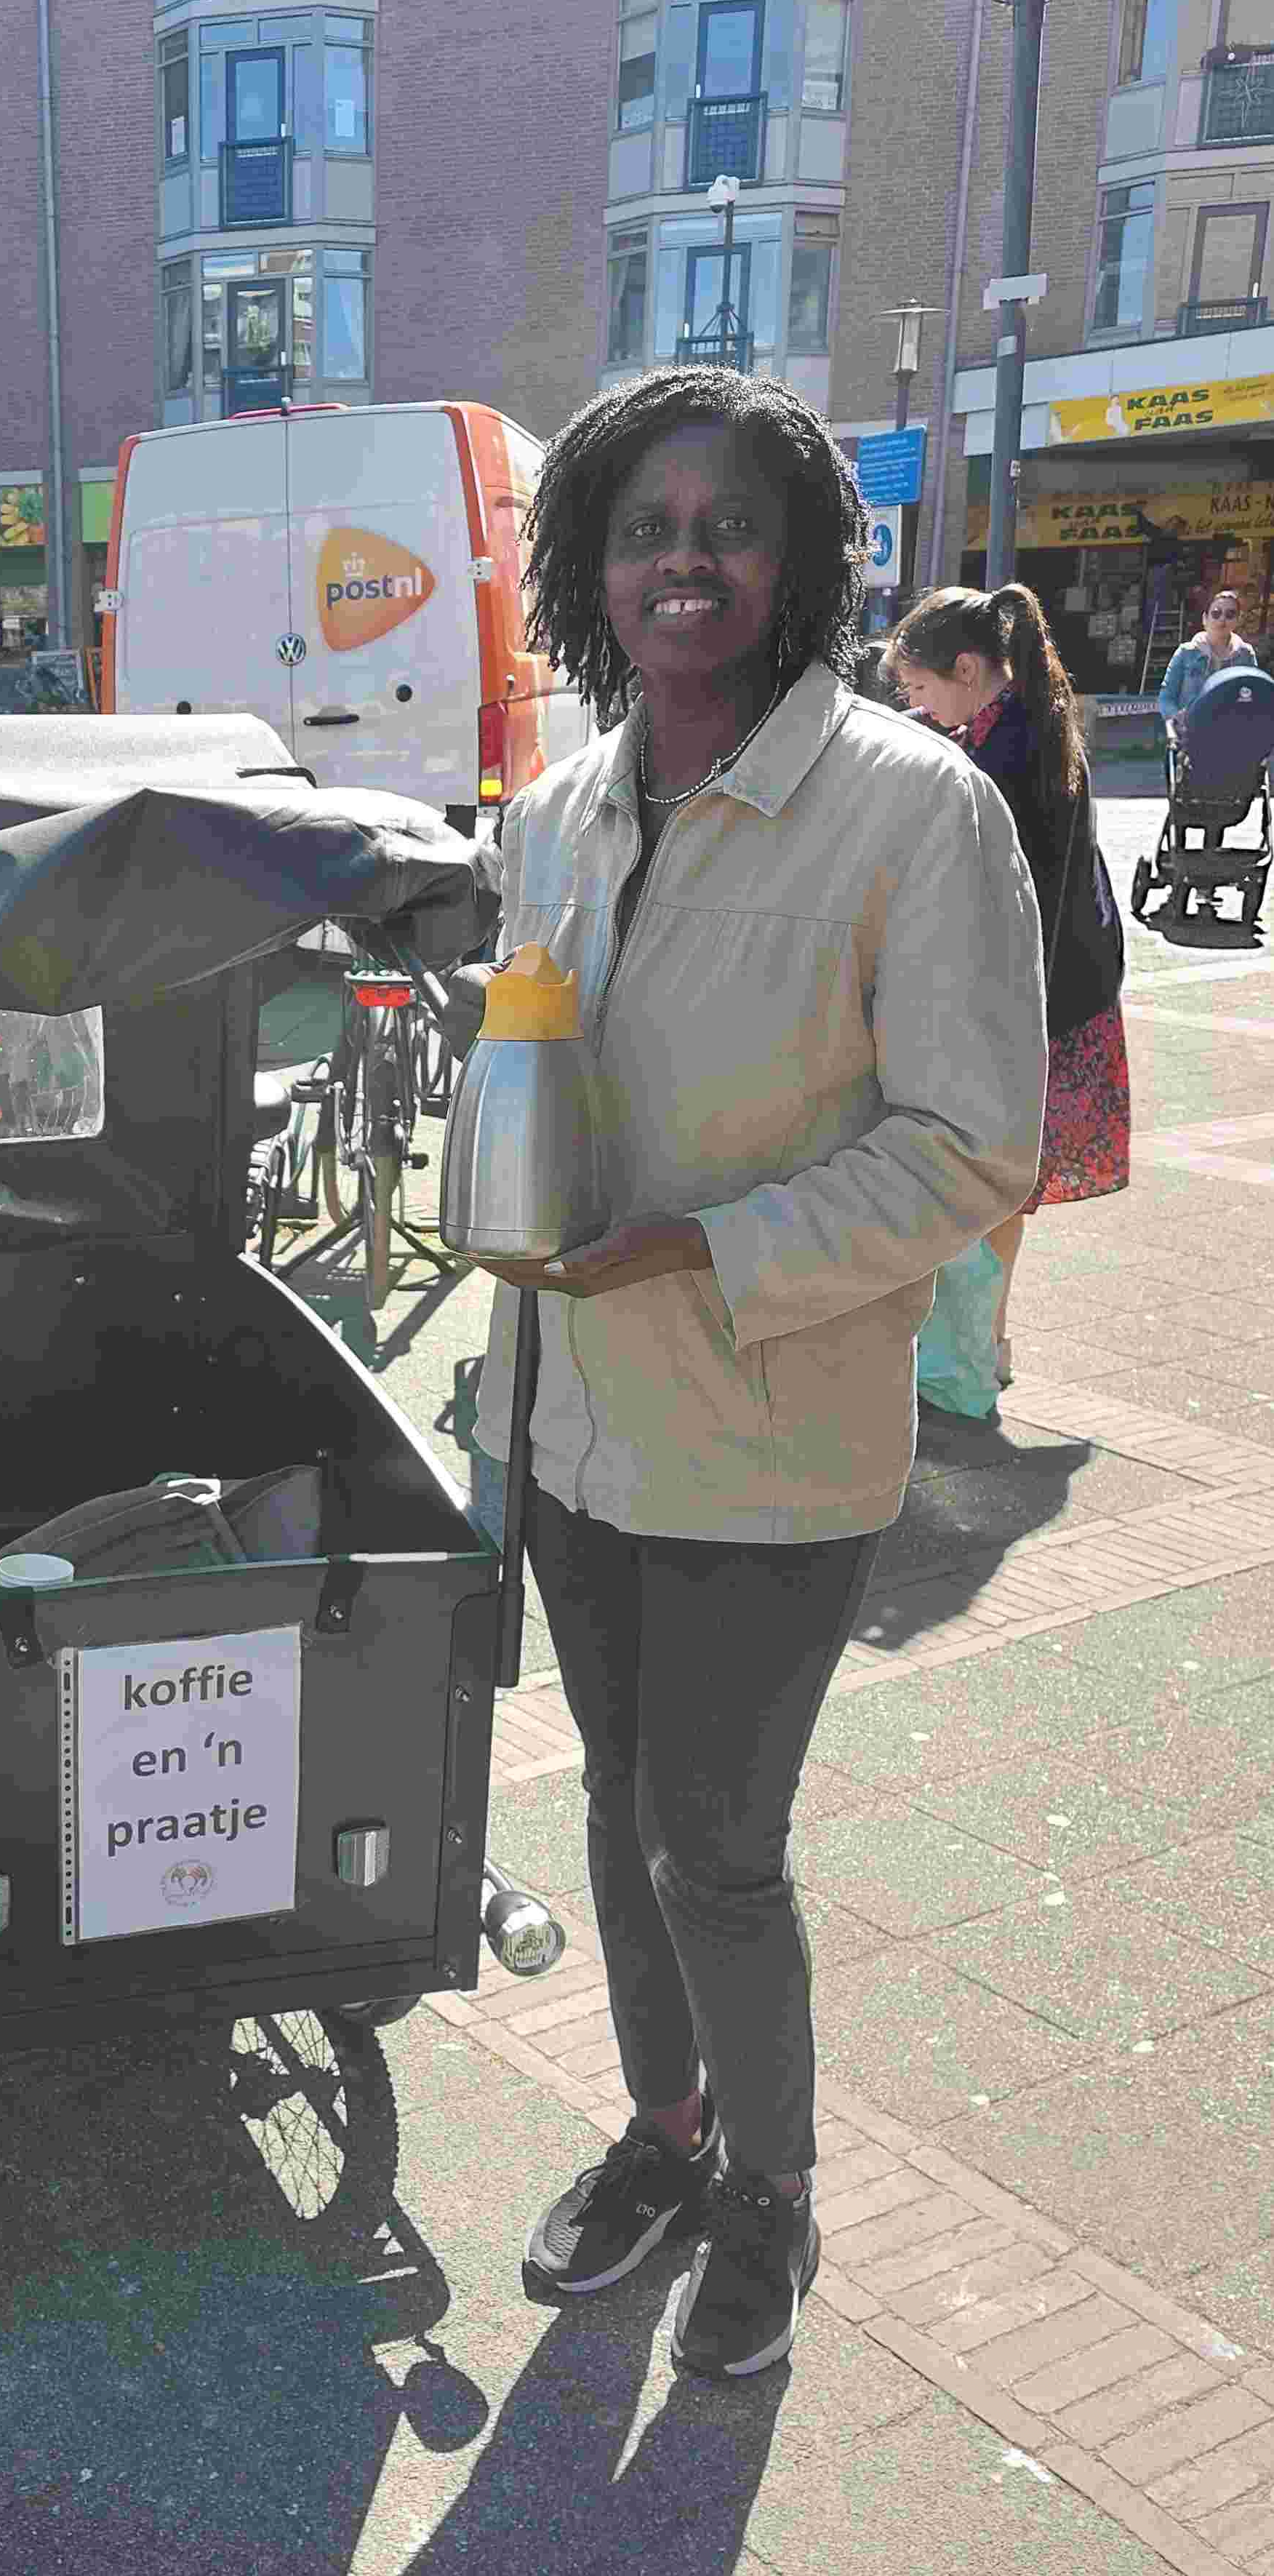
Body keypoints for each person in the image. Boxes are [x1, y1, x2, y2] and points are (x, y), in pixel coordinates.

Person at [441, 365, 1046, 2381]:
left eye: (721, 526)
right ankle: (663, 2122)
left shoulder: (907, 801)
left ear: (793, 559)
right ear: (585, 564)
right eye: (639, 527)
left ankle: (769, 2190)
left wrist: (705, 1244)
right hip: (570, 1424)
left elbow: (973, 1139)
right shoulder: (551, 802)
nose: (677, 560)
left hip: (768, 1438)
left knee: (714, 1835)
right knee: (615, 1810)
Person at [892, 584, 1130, 1385]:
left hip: (1035, 997)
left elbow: (990, 892)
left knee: (988, 1181)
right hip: (1068, 983)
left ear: (966, 667)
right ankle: (983, 1346)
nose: (917, 705)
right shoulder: (1020, 720)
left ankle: (965, 1357)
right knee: (1003, 1187)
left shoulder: (1002, 753)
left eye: (920, 687)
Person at [1156, 585, 1254, 726]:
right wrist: (1177, 716)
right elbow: (1166, 698)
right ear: (1205, 618)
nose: (1222, 619)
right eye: (1216, 613)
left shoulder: (1246, 655)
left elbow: (1252, 697)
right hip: (1190, 736)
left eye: (1230, 614)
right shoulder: (1186, 653)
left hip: (1230, 737)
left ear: (1238, 620)